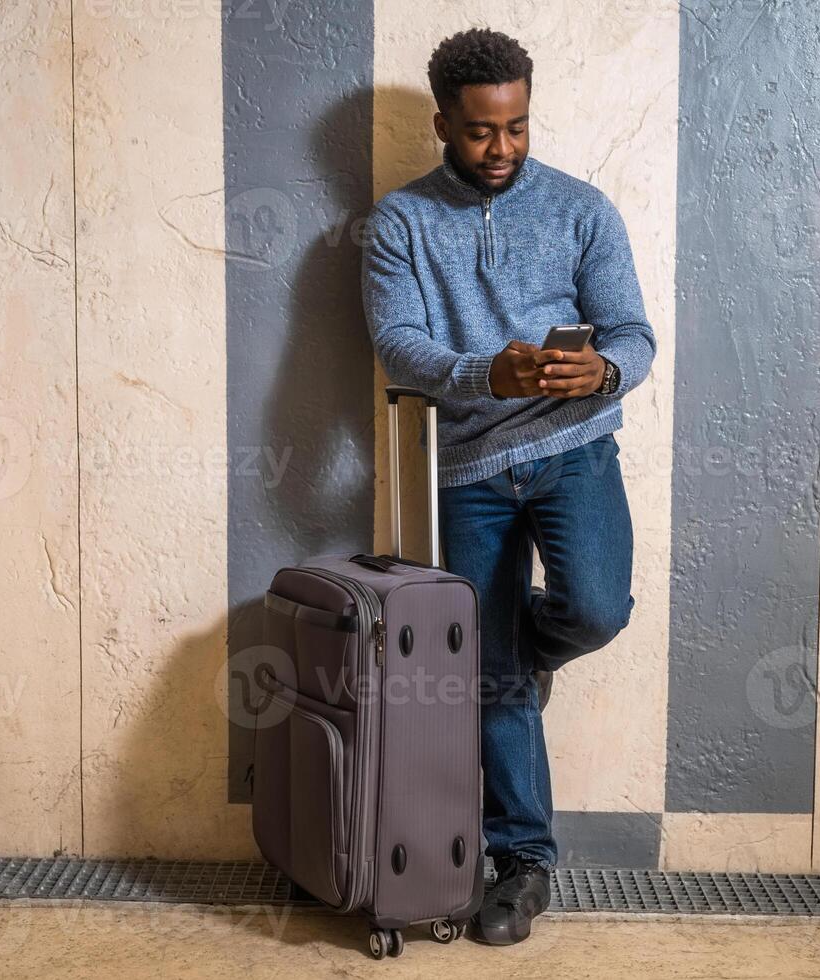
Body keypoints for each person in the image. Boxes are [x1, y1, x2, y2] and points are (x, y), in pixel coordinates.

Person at [361, 27, 655, 946]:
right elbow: (398, 344)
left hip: (575, 449)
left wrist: (598, 373)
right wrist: (495, 373)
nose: (504, 149)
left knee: (598, 611)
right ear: (445, 122)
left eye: (519, 128)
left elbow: (635, 335)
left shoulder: (582, 208)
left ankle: (508, 651)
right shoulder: (400, 223)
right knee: (487, 680)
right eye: (484, 132)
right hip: (471, 468)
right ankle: (522, 863)